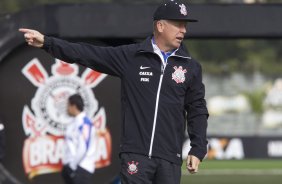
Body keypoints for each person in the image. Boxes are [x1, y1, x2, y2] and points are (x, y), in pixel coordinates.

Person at [19, 0, 208, 183]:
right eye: (178, 24)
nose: (183, 30)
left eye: (185, 25)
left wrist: (198, 148)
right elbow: (86, 53)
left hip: (170, 158)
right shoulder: (131, 57)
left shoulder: (191, 67)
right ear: (160, 26)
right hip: (135, 156)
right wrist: (46, 42)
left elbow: (197, 110)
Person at [62, 94, 96, 184]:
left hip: (81, 169)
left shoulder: (84, 123)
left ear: (74, 106)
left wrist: (72, 166)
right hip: (72, 167)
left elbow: (83, 147)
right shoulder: (74, 123)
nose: (67, 109)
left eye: (68, 105)